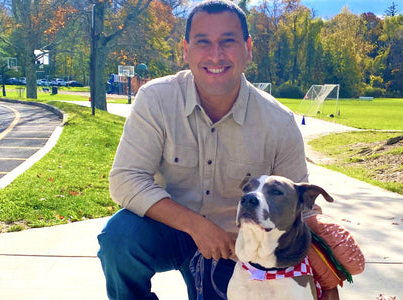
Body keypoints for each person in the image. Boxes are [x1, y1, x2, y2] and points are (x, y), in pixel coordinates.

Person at [97, 0, 339, 299]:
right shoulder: (156, 99)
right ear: (185, 49)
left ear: (248, 48)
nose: (215, 54)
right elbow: (125, 179)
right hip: (167, 228)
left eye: (228, 41)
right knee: (119, 238)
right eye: (202, 42)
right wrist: (196, 226)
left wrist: (327, 275)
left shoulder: (279, 122)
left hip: (237, 248)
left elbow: (298, 208)